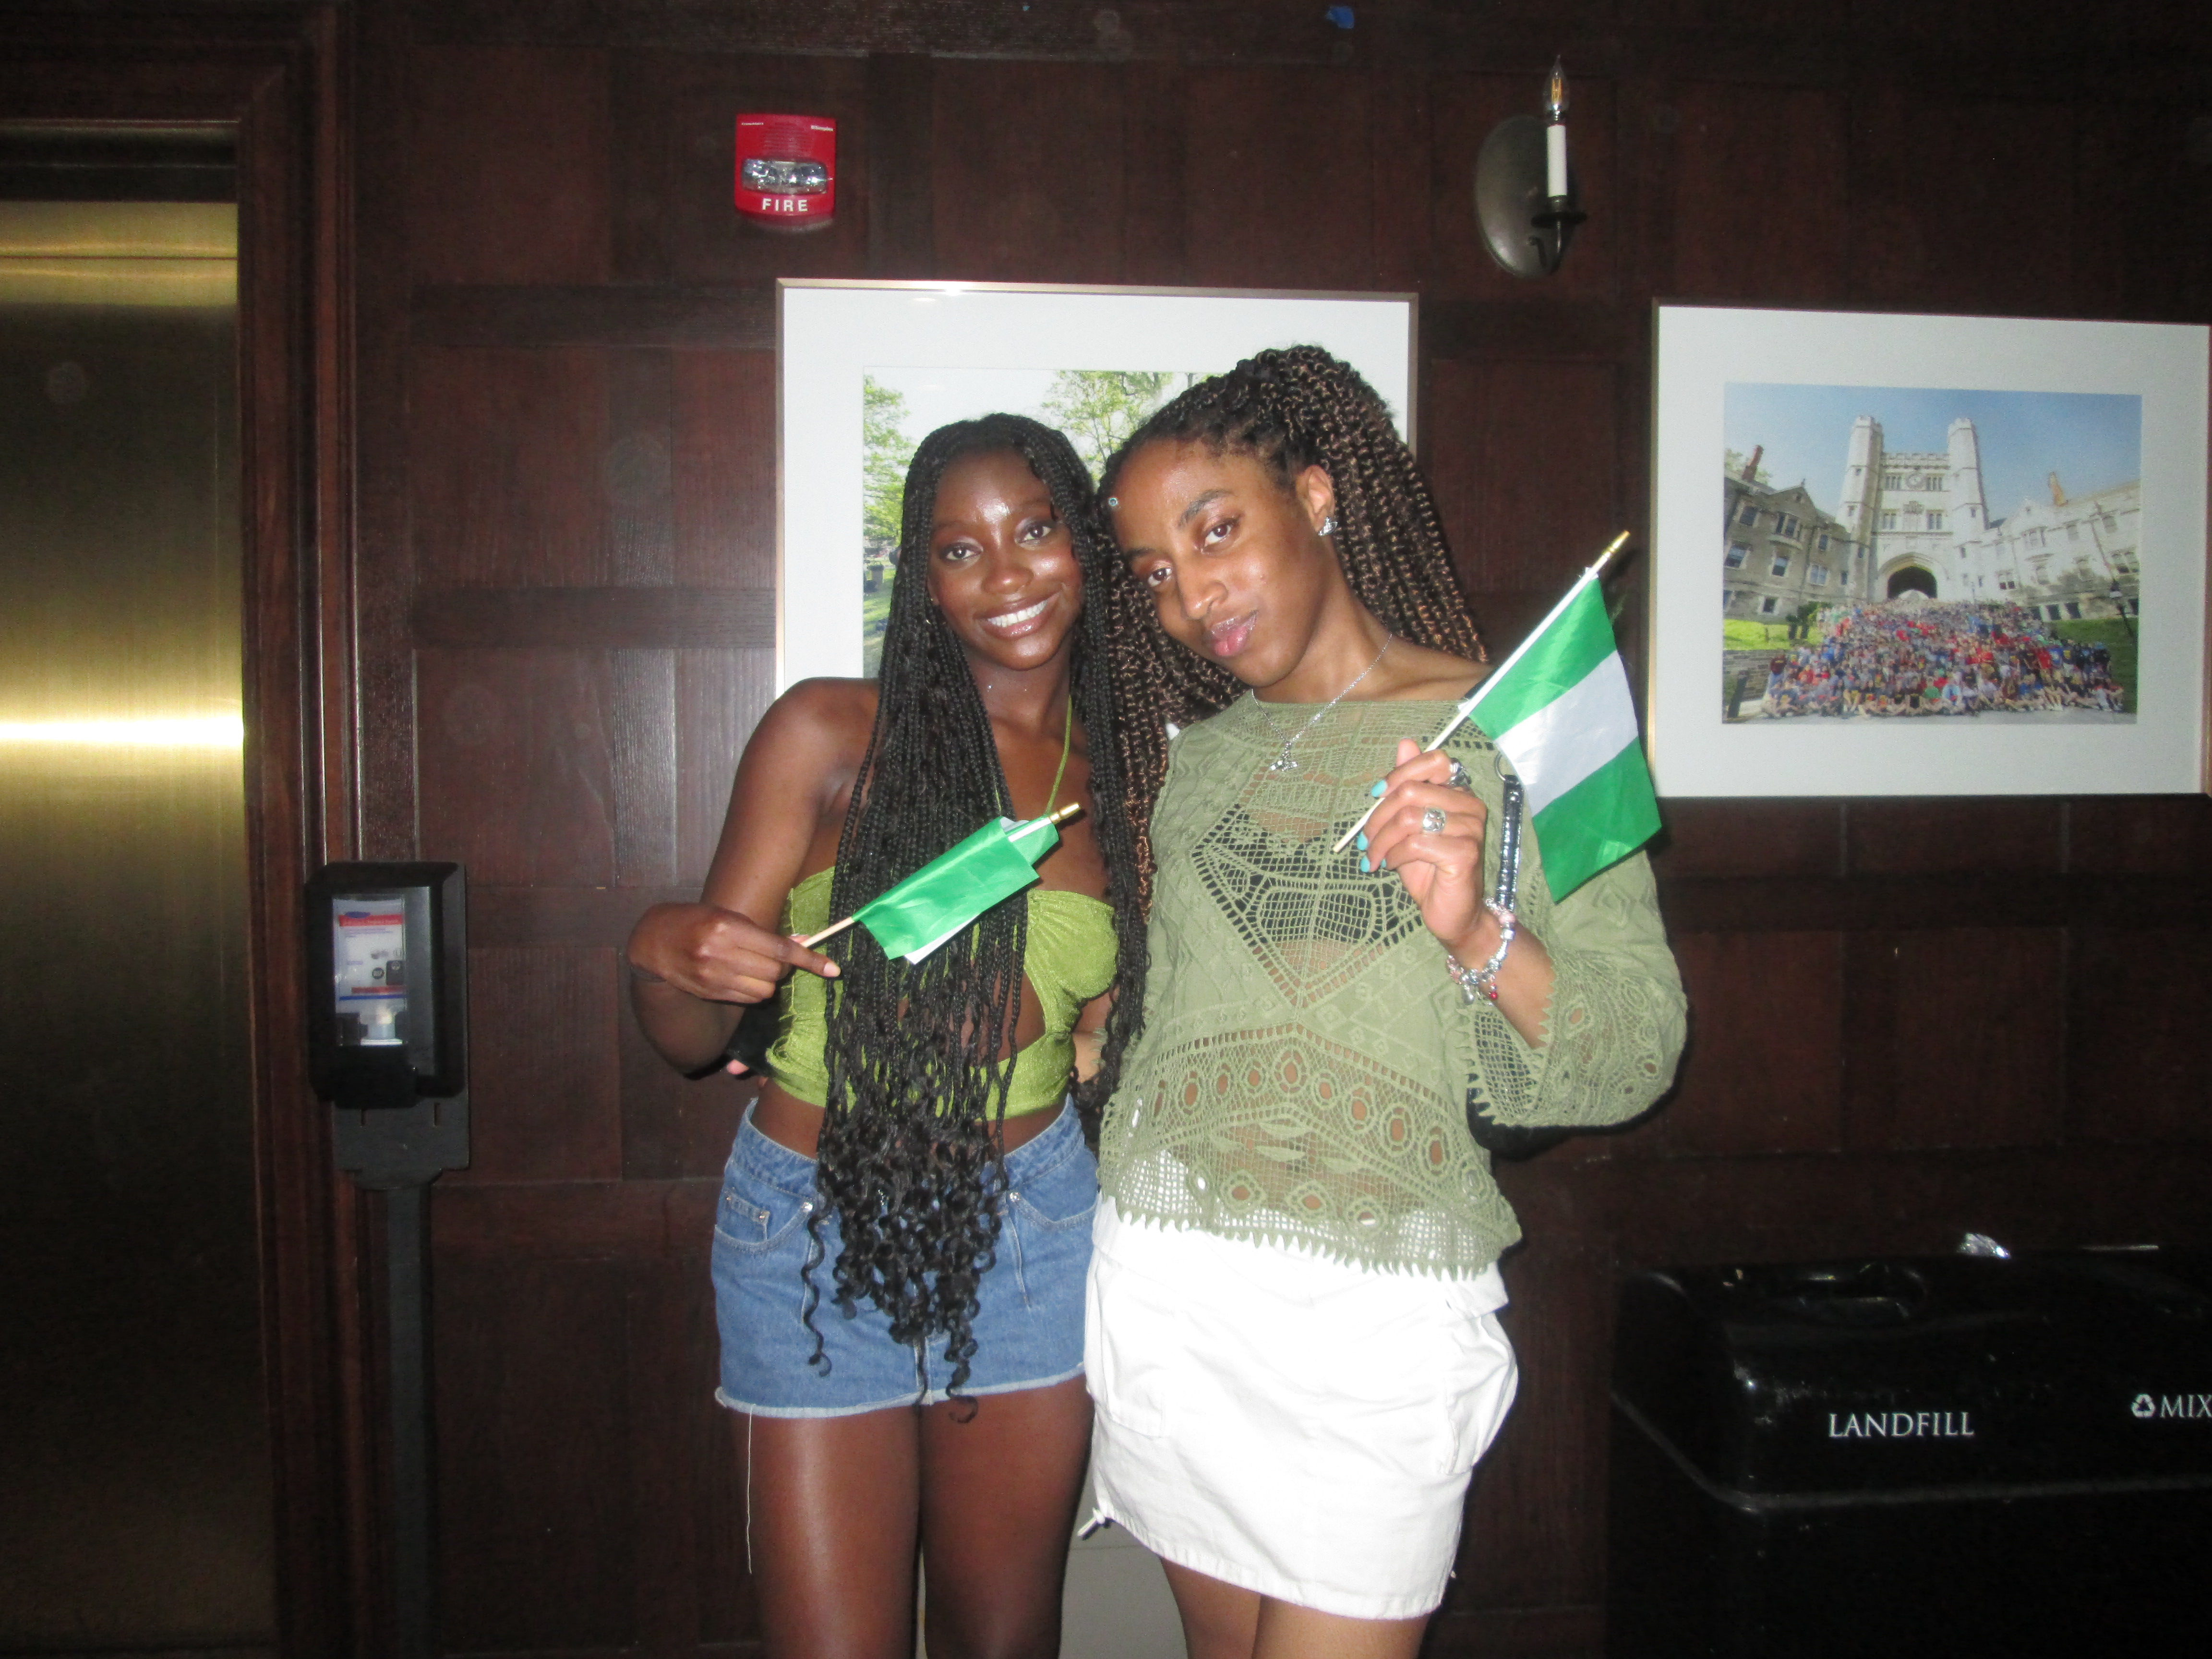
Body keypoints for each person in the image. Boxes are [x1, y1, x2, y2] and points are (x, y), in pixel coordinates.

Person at [1085, 347, 1687, 1659]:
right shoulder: (1199, 767)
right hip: (1172, 1296)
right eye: (1153, 574)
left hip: (1377, 1329)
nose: (1189, 598)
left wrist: (1475, 926)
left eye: (1216, 530)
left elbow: (1637, 1050)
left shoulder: (1531, 728)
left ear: (1315, 494)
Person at [625, 415, 1161, 1659]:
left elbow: (1105, 1039)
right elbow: (692, 1039)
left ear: (1082, 542)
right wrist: (665, 951)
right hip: (809, 1219)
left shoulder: (1132, 781)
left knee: (1003, 1641)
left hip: (1033, 1228)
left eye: (1034, 531)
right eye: (959, 548)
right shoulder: (825, 732)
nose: (1009, 573)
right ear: (921, 579)